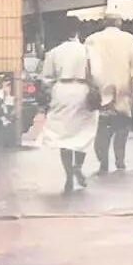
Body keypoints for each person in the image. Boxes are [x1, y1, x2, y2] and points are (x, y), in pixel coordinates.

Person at [86, 9, 133, 174]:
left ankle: (103, 162)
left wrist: (87, 86)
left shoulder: (92, 40)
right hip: (123, 91)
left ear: (104, 23)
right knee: (122, 127)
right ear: (120, 23)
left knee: (101, 130)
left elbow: (87, 65)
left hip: (100, 90)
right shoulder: (129, 39)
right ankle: (120, 160)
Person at [39, 31, 98, 193]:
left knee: (63, 135)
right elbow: (97, 74)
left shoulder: (54, 52)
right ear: (77, 33)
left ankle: (68, 176)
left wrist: (54, 89)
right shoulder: (87, 50)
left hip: (62, 90)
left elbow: (46, 78)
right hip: (83, 90)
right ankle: (78, 166)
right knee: (83, 132)